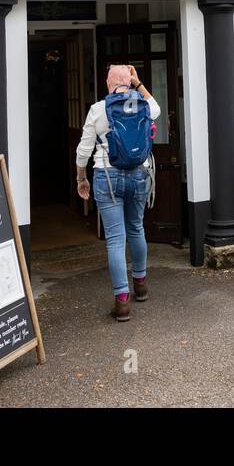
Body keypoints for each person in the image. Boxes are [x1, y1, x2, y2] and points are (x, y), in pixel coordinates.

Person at [75, 64, 160, 322]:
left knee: (115, 238)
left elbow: (84, 149)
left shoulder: (99, 110)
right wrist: (138, 83)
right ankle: (141, 285)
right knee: (136, 228)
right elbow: (156, 108)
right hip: (138, 174)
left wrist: (81, 178)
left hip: (106, 177)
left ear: (107, 83)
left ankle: (122, 301)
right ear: (130, 80)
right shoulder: (143, 104)